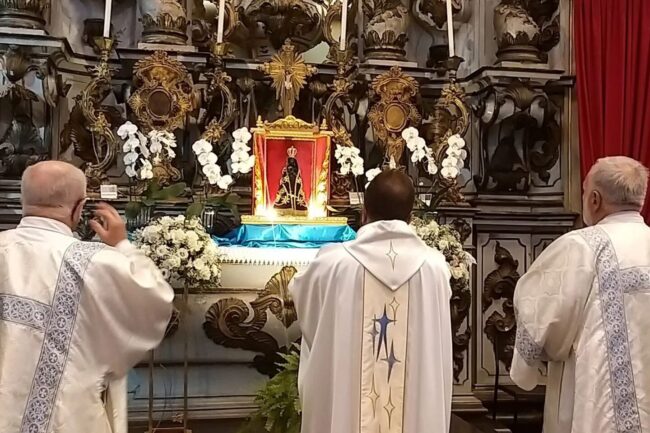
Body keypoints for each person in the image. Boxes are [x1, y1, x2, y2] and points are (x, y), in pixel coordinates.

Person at [0, 161, 174, 433]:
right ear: (79, 207)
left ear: (24, 199)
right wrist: (122, 246)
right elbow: (155, 301)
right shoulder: (95, 262)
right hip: (64, 420)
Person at [290, 169, 453, 433]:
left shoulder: (333, 264)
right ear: (411, 217)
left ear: (364, 211)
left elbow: (306, 307)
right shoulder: (434, 268)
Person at [511, 156, 650, 433]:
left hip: (598, 404)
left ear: (595, 199)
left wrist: (527, 366)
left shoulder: (582, 247)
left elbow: (541, 313)